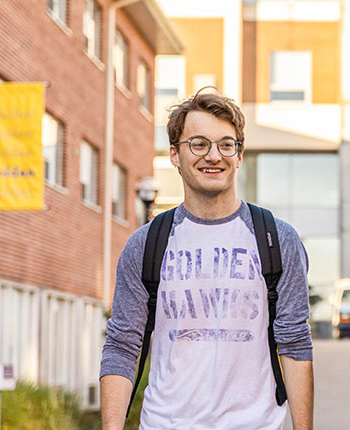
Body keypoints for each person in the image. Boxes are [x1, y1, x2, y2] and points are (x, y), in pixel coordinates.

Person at [99, 89, 314, 429]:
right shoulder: (146, 244)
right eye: (198, 144)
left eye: (226, 144)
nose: (214, 155)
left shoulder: (277, 239)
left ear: (239, 155)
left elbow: (295, 341)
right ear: (174, 154)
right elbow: (123, 345)